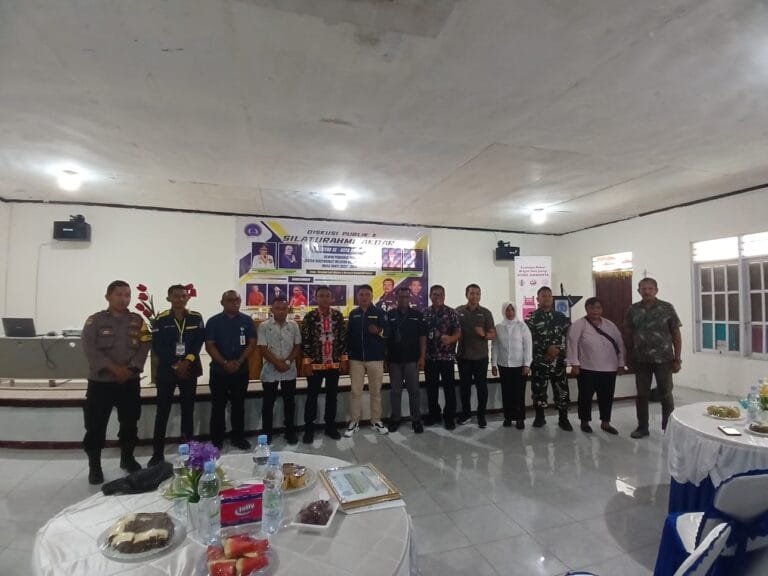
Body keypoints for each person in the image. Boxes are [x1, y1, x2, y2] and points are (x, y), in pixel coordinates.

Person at [81, 280, 152, 484]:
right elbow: (89, 347)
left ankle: (127, 459)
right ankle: (95, 466)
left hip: (129, 382)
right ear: (108, 296)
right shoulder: (95, 321)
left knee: (129, 423)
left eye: (127, 295)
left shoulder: (138, 320)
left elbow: (145, 345)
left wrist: (130, 369)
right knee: (95, 426)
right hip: (101, 383)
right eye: (119, 295)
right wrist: (113, 368)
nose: (123, 299)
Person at [148, 285, 205, 466]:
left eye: (183, 296)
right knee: (162, 412)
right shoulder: (161, 319)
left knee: (188, 410)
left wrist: (186, 361)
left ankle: (188, 450)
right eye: (176, 296)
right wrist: (175, 364)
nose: (180, 299)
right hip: (167, 370)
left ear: (187, 298)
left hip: (189, 369)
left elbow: (198, 342)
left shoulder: (196, 317)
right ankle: (157, 454)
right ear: (169, 299)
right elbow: (158, 346)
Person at [624, 278, 682, 439]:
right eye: (643, 289)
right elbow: (628, 334)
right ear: (638, 291)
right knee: (642, 394)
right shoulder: (633, 309)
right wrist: (628, 357)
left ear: (656, 290)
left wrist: (677, 358)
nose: (647, 291)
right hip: (641, 360)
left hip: (664, 359)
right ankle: (642, 427)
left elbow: (676, 333)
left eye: (650, 288)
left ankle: (668, 428)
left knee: (666, 394)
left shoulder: (667, 308)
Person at [205, 290, 257, 450]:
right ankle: (217, 439)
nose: (234, 302)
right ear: (222, 303)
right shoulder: (213, 321)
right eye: (230, 300)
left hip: (241, 371)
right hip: (219, 371)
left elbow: (252, 343)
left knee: (238, 405)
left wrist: (239, 361)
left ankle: (238, 437)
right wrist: (224, 363)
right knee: (218, 406)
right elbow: (209, 345)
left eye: (237, 300)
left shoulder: (247, 320)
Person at [567, 297, 625, 435]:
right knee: (585, 396)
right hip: (587, 368)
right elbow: (572, 344)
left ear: (602, 309)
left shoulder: (610, 325)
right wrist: (575, 363)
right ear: (586, 309)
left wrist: (621, 363)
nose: (595, 311)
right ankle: (585, 422)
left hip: (609, 368)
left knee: (607, 396)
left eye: (598, 308)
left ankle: (605, 422)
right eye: (591, 308)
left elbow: (620, 344)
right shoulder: (579, 324)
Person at [301, 285, 347, 443]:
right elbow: (305, 340)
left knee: (332, 396)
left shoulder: (338, 316)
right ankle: (309, 429)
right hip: (315, 364)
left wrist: (344, 359)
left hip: (334, 363)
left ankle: (330, 426)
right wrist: (306, 362)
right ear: (316, 298)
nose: (324, 299)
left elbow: (342, 338)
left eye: (327, 295)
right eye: (321, 295)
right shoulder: (310, 316)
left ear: (332, 298)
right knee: (312, 396)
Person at [526, 286, 572, 430]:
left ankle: (563, 418)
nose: (546, 298)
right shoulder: (531, 319)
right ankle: (540, 417)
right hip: (540, 361)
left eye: (549, 296)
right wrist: (547, 350)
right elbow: (527, 341)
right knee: (539, 391)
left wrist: (558, 351)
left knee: (562, 390)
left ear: (552, 298)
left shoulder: (561, 317)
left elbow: (568, 338)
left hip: (558, 361)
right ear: (537, 299)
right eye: (543, 296)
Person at [345, 284, 389, 436]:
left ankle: (376, 421)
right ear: (358, 297)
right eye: (361, 294)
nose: (364, 297)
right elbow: (349, 335)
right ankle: (354, 422)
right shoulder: (353, 314)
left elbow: (388, 333)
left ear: (372, 296)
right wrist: (348, 355)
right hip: (356, 359)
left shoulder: (379, 313)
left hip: (375, 358)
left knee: (375, 391)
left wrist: (379, 330)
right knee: (355, 392)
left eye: (367, 294)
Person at [258, 296, 302, 444]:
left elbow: (297, 346)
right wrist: (277, 363)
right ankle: (267, 433)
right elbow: (262, 348)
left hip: (289, 370)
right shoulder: (264, 326)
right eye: (278, 308)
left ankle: (290, 432)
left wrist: (287, 362)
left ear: (288, 309)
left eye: (284, 308)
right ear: (272, 309)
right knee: (268, 403)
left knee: (289, 403)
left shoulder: (293, 325)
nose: (281, 311)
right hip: (270, 370)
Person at [386, 287, 427, 433]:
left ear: (410, 298)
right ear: (396, 298)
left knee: (414, 391)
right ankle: (395, 419)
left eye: (406, 296)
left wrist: (422, 357)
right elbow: (386, 338)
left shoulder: (417, 315)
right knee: (395, 391)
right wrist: (385, 358)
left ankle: (416, 420)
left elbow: (422, 337)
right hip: (394, 360)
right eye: (400, 297)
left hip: (412, 360)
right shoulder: (389, 315)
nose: (403, 299)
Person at [455, 284, 496, 428]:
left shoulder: (486, 313)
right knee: (465, 388)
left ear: (480, 295)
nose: (475, 296)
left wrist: (483, 334)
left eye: (477, 293)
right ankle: (466, 414)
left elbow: (493, 334)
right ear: (466, 295)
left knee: (481, 388)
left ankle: (481, 416)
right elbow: (453, 332)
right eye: (472, 293)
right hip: (464, 357)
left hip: (481, 358)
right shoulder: (458, 311)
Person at [423, 285, 461, 429]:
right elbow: (421, 336)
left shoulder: (452, 313)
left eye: (440, 294)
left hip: (446, 358)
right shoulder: (425, 313)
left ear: (444, 296)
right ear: (430, 296)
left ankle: (449, 417)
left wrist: (451, 339)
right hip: (430, 358)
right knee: (431, 389)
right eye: (434, 294)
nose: (437, 296)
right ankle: (434, 415)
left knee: (449, 389)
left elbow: (458, 332)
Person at [491, 302, 532, 429]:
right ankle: (508, 417)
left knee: (519, 393)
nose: (510, 313)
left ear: (515, 311)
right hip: (504, 365)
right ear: (503, 311)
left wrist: (527, 364)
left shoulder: (522, 326)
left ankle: (520, 418)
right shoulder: (498, 327)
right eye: (507, 310)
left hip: (519, 365)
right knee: (506, 393)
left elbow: (528, 346)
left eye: (512, 310)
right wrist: (494, 364)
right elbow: (495, 346)